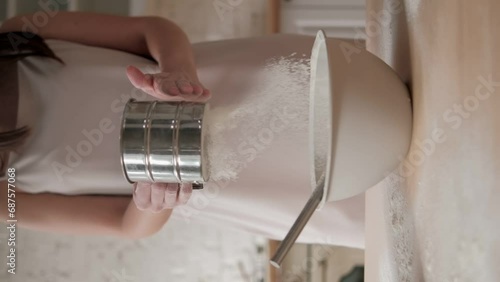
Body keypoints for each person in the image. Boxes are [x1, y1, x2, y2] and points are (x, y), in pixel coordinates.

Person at [0, 12, 364, 248]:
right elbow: (127, 226)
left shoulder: (18, 34)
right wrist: (152, 202)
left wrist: (177, 70)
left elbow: (150, 30)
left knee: (387, 95)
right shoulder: (4, 197)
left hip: (260, 80)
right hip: (257, 185)